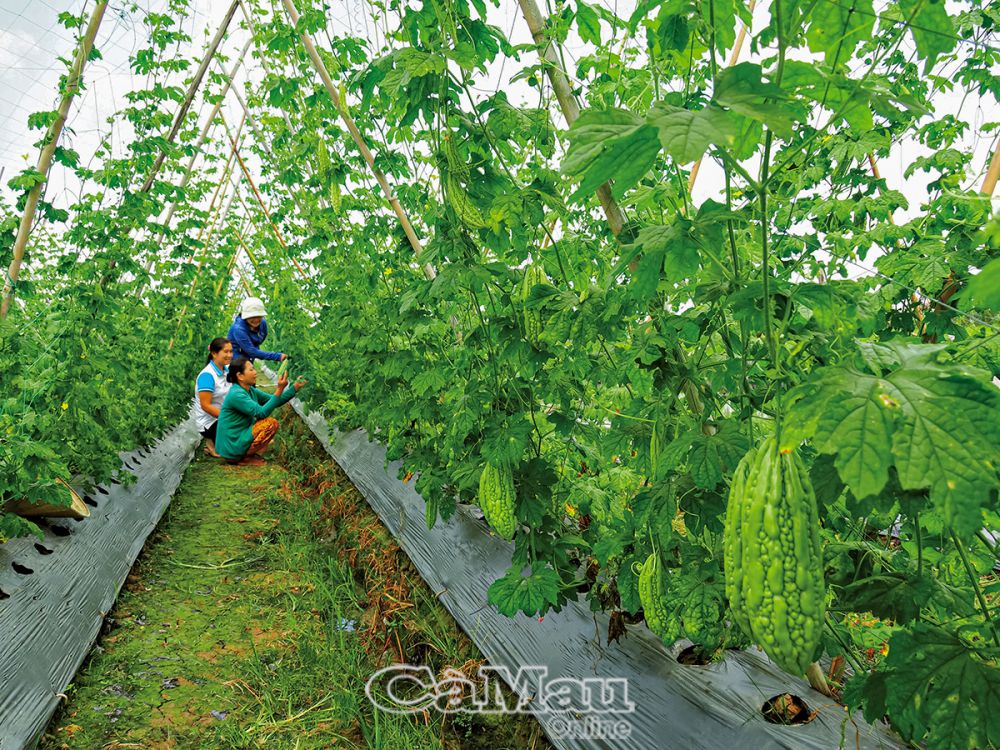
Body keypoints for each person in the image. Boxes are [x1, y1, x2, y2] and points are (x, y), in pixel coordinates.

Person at [215, 356, 305, 465]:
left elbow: (275, 400)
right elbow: (262, 413)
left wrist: (295, 387)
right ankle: (243, 458)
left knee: (269, 424)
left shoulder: (249, 390)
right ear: (240, 376)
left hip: (238, 437)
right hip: (232, 444)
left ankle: (245, 454)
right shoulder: (237, 395)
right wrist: (279, 388)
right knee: (270, 424)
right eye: (251, 370)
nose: (255, 372)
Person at [193, 337, 233, 457]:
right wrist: (229, 419)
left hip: (223, 416)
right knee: (241, 439)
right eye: (225, 352)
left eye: (231, 351)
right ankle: (211, 442)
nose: (230, 355)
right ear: (214, 353)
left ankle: (216, 443)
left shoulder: (227, 370)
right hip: (210, 422)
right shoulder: (207, 376)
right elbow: (205, 406)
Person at [227, 296, 287, 363]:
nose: (256, 320)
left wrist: (255, 350)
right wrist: (277, 356)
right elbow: (252, 351)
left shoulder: (263, 323)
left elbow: (262, 337)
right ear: (246, 316)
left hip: (249, 355)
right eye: (252, 317)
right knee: (243, 371)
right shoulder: (238, 329)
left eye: (258, 316)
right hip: (236, 358)